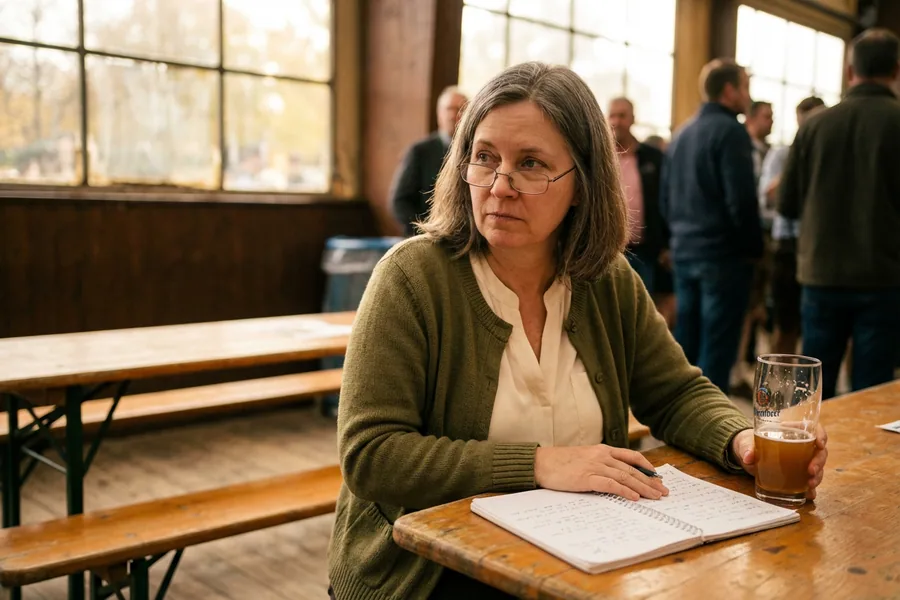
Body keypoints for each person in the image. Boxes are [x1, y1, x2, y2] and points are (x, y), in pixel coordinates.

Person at [328, 62, 827, 600]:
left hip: (579, 561)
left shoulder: (605, 279)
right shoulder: (411, 277)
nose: (500, 185)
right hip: (429, 575)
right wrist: (539, 463)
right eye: (485, 157)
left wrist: (742, 440)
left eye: (531, 164)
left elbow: (675, 392)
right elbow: (372, 454)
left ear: (581, 184)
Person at [779, 28, 900, 399]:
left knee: (813, 388)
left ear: (850, 72)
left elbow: (786, 204)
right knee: (872, 388)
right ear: (896, 70)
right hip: (883, 275)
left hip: (821, 273)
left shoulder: (814, 125)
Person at [661, 59, 763, 394]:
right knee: (717, 348)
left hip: (685, 253)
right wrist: (754, 250)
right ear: (729, 90)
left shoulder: (682, 133)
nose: (748, 95)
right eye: (745, 87)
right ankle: (710, 421)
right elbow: (741, 201)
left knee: (686, 346)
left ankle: (680, 414)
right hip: (723, 258)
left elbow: (665, 198)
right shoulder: (731, 131)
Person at [758, 96, 826, 355]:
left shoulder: (828, 155)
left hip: (818, 246)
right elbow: (768, 196)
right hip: (788, 244)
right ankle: (780, 379)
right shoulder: (783, 154)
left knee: (816, 327)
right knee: (785, 325)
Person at [607, 97, 667, 295]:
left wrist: (665, 244)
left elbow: (665, 200)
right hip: (607, 252)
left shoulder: (653, 158)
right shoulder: (598, 157)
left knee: (642, 306)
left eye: (622, 116)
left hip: (644, 252)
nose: (616, 121)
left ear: (633, 119)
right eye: (612, 116)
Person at [389, 87, 468, 235]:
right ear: (439, 114)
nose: (453, 115)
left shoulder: (474, 152)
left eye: (459, 109)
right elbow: (400, 201)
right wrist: (425, 232)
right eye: (449, 109)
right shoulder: (419, 151)